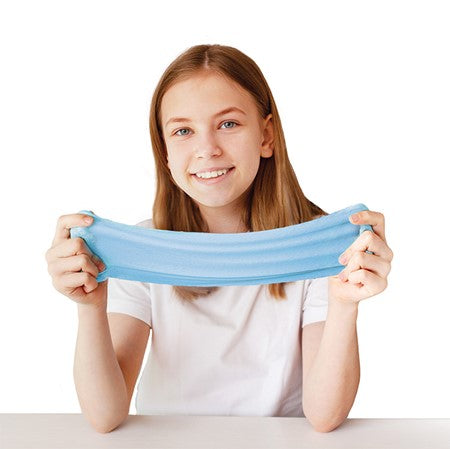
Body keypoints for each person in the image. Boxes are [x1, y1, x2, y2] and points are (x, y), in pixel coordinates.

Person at [45, 44, 393, 434]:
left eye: (228, 124)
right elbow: (105, 415)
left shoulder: (319, 250)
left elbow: (325, 416)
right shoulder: (142, 248)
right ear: (164, 153)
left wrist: (344, 304)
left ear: (266, 136)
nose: (207, 149)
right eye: (183, 131)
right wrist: (89, 309)